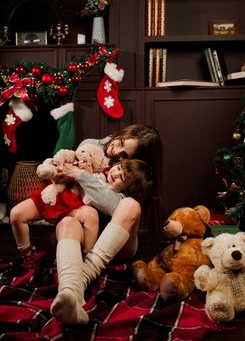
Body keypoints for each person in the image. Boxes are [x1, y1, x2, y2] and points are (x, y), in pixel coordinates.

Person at [49, 124, 163, 325]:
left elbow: (114, 205)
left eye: (125, 155)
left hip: (118, 244)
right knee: (67, 222)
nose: (115, 152)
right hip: (84, 231)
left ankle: (82, 278)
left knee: (129, 204)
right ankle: (68, 294)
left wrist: (80, 175)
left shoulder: (136, 173)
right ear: (119, 135)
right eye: (119, 143)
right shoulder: (90, 146)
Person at [9, 157, 155, 271]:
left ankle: (87, 259)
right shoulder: (101, 170)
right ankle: (27, 255)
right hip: (57, 194)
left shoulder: (119, 197)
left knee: (90, 214)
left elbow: (101, 200)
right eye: (118, 168)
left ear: (127, 189)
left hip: (75, 208)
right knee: (16, 214)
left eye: (121, 178)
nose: (115, 174)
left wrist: (83, 175)